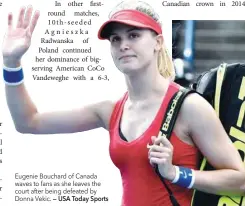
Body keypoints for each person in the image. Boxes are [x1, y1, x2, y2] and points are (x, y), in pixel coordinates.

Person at [2, 1, 245, 206]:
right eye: (115, 39)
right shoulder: (110, 111)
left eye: (134, 35)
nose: (123, 45)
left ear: (158, 42)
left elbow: (240, 181)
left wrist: (176, 174)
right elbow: (28, 122)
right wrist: (11, 63)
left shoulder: (189, 107)